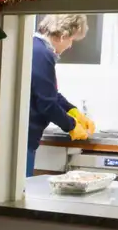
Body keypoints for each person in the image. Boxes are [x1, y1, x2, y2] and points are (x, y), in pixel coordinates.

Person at [27, 14, 96, 176]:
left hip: (26, 137)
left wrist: (73, 111)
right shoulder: (41, 55)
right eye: (71, 40)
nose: (70, 46)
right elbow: (47, 104)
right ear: (62, 36)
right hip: (24, 138)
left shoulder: (36, 48)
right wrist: (71, 126)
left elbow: (50, 93)